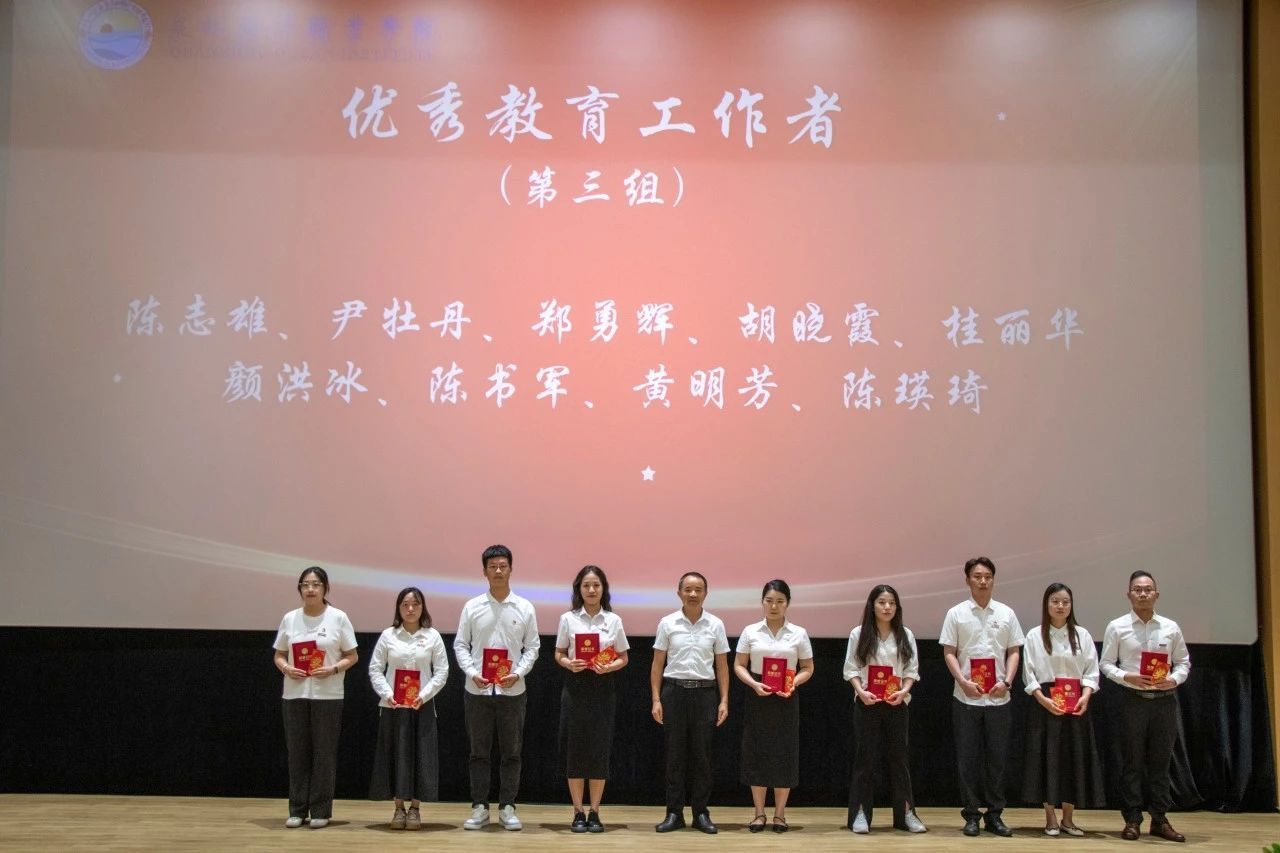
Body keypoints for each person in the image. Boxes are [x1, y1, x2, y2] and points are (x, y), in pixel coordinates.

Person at [1099, 570, 1191, 843]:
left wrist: (1173, 679)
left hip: (1164, 702)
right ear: (1128, 594)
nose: (1142, 594)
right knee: (1132, 762)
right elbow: (1106, 664)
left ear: (1156, 594)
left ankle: (1160, 819)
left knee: (1161, 763)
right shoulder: (1117, 626)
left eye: (1147, 589)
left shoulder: (1170, 627)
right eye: (1137, 590)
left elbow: (1183, 662)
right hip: (1132, 701)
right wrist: (1126, 677)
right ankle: (1132, 819)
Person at [453, 544, 540, 831]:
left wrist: (518, 673)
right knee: (478, 753)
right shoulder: (472, 607)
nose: (498, 571)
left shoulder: (524, 607)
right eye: (493, 567)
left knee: (511, 753)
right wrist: (472, 672)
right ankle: (479, 807)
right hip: (477, 690)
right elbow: (460, 645)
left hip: (512, 691)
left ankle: (507, 807)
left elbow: (533, 647)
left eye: (503, 566)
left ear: (511, 569)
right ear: (484, 571)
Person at [939, 556, 1025, 837]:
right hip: (966, 698)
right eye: (977, 576)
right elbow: (949, 652)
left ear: (993, 579)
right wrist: (963, 681)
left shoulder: (1007, 613)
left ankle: (995, 815)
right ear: (968, 580)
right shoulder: (956, 613)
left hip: (999, 698)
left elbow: (1014, 651)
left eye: (987, 576)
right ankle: (972, 815)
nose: (983, 581)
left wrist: (1007, 682)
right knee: (968, 760)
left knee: (997, 760)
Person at [271, 566, 359, 829]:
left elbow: (352, 655)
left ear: (325, 588)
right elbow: (279, 654)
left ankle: (320, 809)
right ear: (299, 589)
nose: (310, 589)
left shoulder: (338, 618)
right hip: (294, 694)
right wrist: (286, 668)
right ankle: (297, 809)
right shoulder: (290, 618)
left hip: (328, 695)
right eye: (305, 585)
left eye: (316, 584)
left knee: (324, 754)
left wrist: (333, 669)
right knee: (297, 753)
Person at [1020, 582, 1105, 837]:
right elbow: (1029, 673)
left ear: (1071, 606)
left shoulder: (1082, 635)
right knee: (1048, 759)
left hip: (1076, 704)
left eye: (1065, 602)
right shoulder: (1035, 635)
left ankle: (1068, 819)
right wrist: (1042, 699)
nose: (1060, 606)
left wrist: (1086, 696)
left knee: (1073, 760)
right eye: (1055, 601)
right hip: (1046, 703)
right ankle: (1050, 818)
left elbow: (1091, 671)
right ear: (1046, 604)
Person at [651, 571, 730, 834]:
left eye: (698, 590)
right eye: (688, 589)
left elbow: (722, 666)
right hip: (673, 693)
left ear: (706, 593)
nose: (693, 594)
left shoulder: (716, 624)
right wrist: (656, 699)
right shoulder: (667, 623)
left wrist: (724, 700)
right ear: (679, 593)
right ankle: (674, 813)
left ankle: (701, 813)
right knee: (674, 757)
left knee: (702, 758)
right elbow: (657, 664)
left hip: (705, 695)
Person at [843, 584, 926, 834]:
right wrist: (860, 691)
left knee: (899, 761)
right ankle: (860, 814)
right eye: (882, 602)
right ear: (872, 606)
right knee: (865, 760)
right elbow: (851, 668)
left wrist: (904, 690)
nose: (887, 607)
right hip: (867, 703)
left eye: (892, 603)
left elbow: (911, 670)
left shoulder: (905, 634)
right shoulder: (859, 633)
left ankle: (906, 814)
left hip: (896, 703)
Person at [733, 579, 814, 833]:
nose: (774, 606)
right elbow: (739, 665)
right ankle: (759, 814)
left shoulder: (799, 633)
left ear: (788, 603)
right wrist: (753, 684)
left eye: (780, 601)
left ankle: (780, 814)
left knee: (784, 754)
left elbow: (807, 668)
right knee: (756, 752)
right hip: (758, 695)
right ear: (762, 602)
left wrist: (793, 683)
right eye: (769, 601)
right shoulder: (750, 631)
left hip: (786, 697)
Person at [554, 565, 631, 833]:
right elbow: (559, 653)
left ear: (603, 589)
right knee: (575, 749)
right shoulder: (568, 619)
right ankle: (577, 811)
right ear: (579, 589)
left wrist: (609, 667)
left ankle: (595, 811)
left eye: (596, 585)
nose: (591, 590)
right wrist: (568, 663)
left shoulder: (613, 620)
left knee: (599, 749)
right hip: (575, 687)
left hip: (603, 689)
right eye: (586, 585)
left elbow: (623, 657)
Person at [368, 587, 449, 830]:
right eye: (405, 604)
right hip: (393, 706)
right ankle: (398, 809)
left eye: (415, 604)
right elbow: (375, 669)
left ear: (423, 607)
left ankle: (415, 809)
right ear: (398, 608)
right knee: (395, 754)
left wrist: (423, 695)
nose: (410, 609)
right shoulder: (388, 635)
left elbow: (442, 672)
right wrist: (388, 694)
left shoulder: (432, 636)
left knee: (421, 755)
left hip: (422, 705)